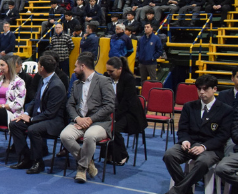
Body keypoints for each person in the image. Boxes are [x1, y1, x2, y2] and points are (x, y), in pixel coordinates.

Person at [156, 75, 233, 194]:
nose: (202, 92)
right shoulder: (189, 106)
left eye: (205, 89)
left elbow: (223, 136)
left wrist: (204, 147)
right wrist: (185, 140)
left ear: (214, 89)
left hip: (211, 148)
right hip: (190, 144)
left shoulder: (225, 110)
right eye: (199, 89)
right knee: (169, 155)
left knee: (203, 162)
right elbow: (183, 129)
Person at [59, 55, 116, 183]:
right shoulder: (76, 83)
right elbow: (70, 104)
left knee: (89, 136)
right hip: (79, 121)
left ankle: (82, 168)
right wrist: (78, 118)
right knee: (65, 136)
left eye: (76, 66)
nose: (74, 70)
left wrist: (90, 119)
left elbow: (110, 106)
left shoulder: (103, 81)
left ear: (83, 66)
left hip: (99, 123)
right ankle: (88, 162)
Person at [9, 54, 67, 174]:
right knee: (15, 124)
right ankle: (27, 157)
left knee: (33, 129)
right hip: (40, 117)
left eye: (38, 65)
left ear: (42, 68)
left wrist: (31, 119)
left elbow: (50, 113)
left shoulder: (57, 86)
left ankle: (38, 161)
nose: (37, 67)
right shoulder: (42, 79)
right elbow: (35, 100)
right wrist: (25, 114)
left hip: (54, 121)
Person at [105, 56, 146, 166]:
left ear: (120, 69)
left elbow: (126, 102)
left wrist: (115, 117)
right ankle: (108, 154)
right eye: (107, 71)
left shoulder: (128, 79)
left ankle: (122, 155)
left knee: (114, 128)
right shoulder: (107, 77)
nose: (109, 73)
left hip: (129, 113)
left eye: (111, 71)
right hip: (113, 111)